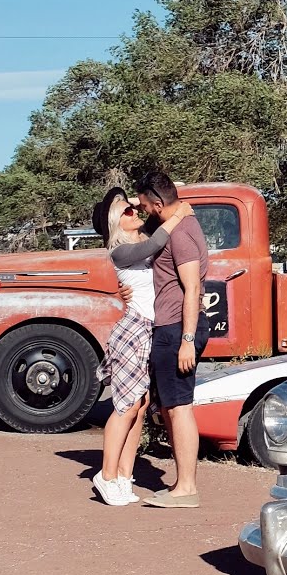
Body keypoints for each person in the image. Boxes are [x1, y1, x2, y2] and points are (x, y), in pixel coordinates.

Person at [89, 186, 190, 507]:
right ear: (115, 223)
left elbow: (163, 206)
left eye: (135, 208)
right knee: (126, 406)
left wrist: (128, 202)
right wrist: (179, 217)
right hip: (132, 331)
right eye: (127, 212)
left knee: (141, 405)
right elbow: (157, 241)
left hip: (148, 330)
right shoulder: (120, 251)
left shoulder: (140, 240)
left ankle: (124, 474)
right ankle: (106, 475)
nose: (135, 212)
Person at [133, 171, 209, 508]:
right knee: (171, 407)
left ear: (158, 203)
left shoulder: (180, 234)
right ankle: (181, 485)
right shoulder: (175, 223)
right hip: (171, 327)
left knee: (179, 408)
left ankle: (187, 489)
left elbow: (192, 288)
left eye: (145, 205)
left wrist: (187, 340)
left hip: (179, 327)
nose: (143, 211)